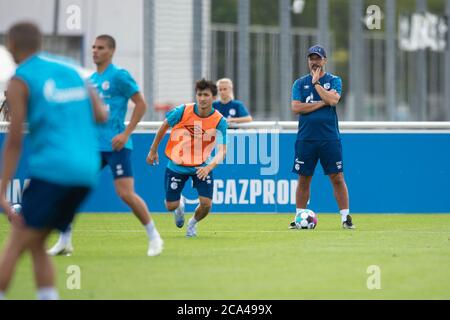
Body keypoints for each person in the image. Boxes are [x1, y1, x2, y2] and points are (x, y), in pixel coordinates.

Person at [0, 22, 108, 300]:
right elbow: (101, 114)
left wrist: (2, 186)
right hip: (86, 171)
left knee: (16, 243)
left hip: (52, 170)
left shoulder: (20, 79)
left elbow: (14, 140)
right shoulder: (71, 69)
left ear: (11, 45)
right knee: (36, 243)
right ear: (40, 42)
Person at [48, 34, 164, 257]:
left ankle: (154, 237)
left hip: (117, 144)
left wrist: (126, 132)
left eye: (100, 48)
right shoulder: (90, 80)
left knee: (125, 193)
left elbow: (141, 104)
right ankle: (64, 241)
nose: (95, 51)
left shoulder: (119, 76)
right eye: (93, 47)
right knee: (71, 191)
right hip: (92, 146)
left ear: (111, 51)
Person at [147, 79, 227, 237]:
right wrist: (153, 149)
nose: (202, 98)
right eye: (199, 94)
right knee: (170, 205)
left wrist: (208, 167)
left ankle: (192, 224)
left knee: (206, 204)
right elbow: (164, 125)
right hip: (177, 164)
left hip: (201, 166)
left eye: (206, 95)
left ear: (214, 97)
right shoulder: (182, 111)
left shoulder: (219, 121)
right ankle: (179, 206)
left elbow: (222, 150)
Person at [290, 45, 354, 229]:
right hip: (306, 138)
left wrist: (317, 84)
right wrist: (322, 103)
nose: (314, 61)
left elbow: (333, 100)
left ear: (325, 60)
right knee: (304, 179)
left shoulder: (334, 80)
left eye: (318, 58)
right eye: (311, 58)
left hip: (329, 138)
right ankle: (298, 217)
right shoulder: (299, 83)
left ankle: (345, 218)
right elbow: (296, 108)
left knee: (337, 177)